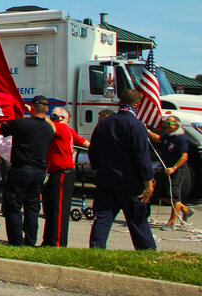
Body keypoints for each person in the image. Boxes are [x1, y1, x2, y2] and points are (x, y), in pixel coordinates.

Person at [87, 89, 156, 250]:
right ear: (137, 104)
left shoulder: (104, 123)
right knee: (137, 219)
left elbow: (93, 150)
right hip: (130, 182)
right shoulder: (136, 125)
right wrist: (148, 181)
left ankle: (96, 249)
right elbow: (142, 155)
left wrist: (98, 168)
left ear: (119, 101)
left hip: (106, 179)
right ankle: (146, 250)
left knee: (103, 218)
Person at [0, 95, 56, 246]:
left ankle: (16, 241)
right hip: (38, 172)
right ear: (47, 110)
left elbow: (1, 129)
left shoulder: (22, 123)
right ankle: (30, 241)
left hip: (20, 170)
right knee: (32, 208)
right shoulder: (49, 129)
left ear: (33, 107)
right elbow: (51, 125)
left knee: (14, 206)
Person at [41, 107, 89, 246]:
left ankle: (57, 242)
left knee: (58, 209)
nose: (51, 117)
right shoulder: (69, 130)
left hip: (62, 172)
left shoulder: (61, 128)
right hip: (53, 171)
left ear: (63, 118)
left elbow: (45, 121)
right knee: (50, 208)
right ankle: (48, 240)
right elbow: (84, 143)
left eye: (55, 115)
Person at [148, 115, 193, 225]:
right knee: (164, 195)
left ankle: (172, 222)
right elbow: (158, 139)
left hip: (176, 170)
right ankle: (186, 210)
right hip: (165, 169)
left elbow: (184, 157)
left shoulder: (181, 138)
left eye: (169, 124)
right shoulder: (168, 136)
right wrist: (146, 130)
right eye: (166, 124)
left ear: (176, 126)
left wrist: (174, 168)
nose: (166, 126)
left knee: (174, 196)